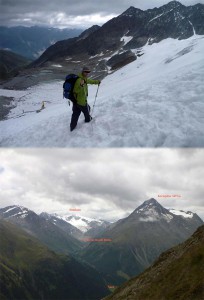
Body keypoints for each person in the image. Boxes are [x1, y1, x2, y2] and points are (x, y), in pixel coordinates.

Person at [70, 66, 101, 131]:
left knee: (75, 114)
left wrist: (97, 82)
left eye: (88, 72)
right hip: (81, 101)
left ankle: (72, 127)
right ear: (83, 71)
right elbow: (75, 91)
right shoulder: (79, 80)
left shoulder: (84, 78)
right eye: (86, 71)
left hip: (76, 101)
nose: (87, 73)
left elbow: (90, 81)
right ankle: (88, 121)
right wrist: (81, 86)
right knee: (87, 113)